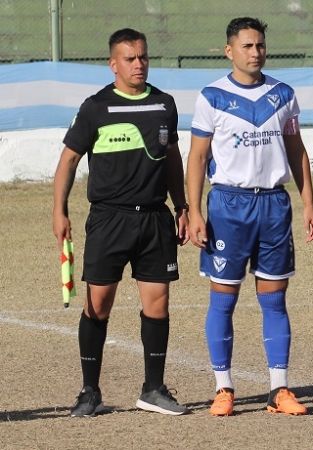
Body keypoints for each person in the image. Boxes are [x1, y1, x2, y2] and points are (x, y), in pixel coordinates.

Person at [52, 28, 190, 417]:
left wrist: (181, 206)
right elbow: (68, 161)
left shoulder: (164, 104)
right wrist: (58, 209)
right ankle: (89, 391)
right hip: (108, 219)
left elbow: (173, 159)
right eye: (130, 59)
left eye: (143, 57)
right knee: (98, 304)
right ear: (113, 64)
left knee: (158, 304)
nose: (139, 64)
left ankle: (154, 388)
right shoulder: (96, 107)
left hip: (153, 220)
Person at [186, 17, 313, 416]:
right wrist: (194, 211)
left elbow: (296, 151)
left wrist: (309, 202)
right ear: (230, 51)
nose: (256, 52)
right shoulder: (212, 96)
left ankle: (279, 389)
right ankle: (223, 387)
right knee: (223, 299)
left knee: (274, 300)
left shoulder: (283, 95)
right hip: (228, 206)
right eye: (247, 46)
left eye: (260, 45)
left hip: (274, 206)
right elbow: (196, 157)